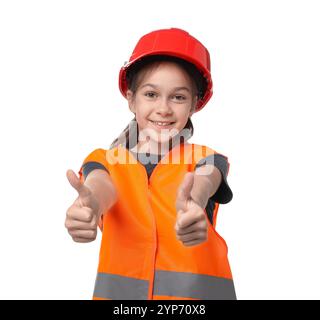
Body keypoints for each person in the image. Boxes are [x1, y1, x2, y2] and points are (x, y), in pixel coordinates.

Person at [65, 28, 237, 300]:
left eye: (178, 97)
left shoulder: (206, 159)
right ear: (131, 98)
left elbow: (206, 180)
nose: (164, 108)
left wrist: (194, 201)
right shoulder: (105, 161)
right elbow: (100, 186)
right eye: (151, 94)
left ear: (194, 104)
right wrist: (90, 206)